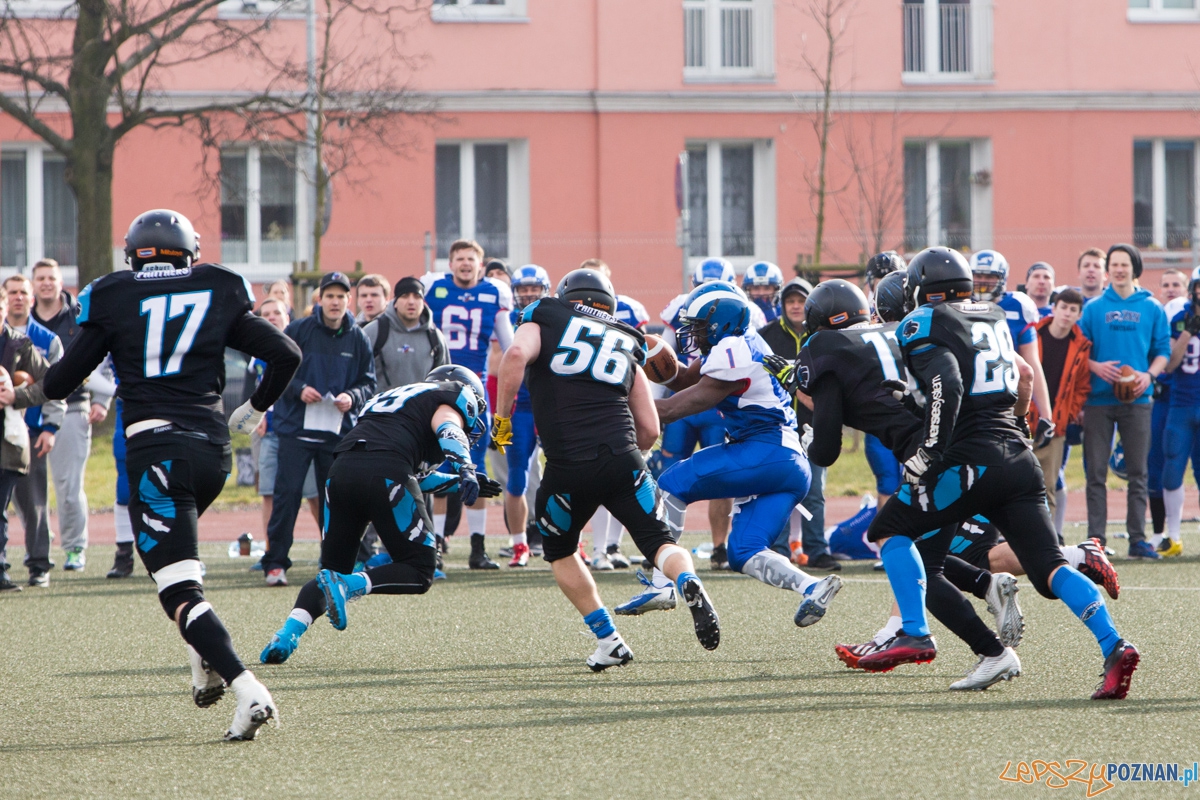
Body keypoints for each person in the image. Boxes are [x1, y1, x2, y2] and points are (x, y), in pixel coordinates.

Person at [42, 208, 302, 739]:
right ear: (189, 251)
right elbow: (285, 352)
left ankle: (246, 687)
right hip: (210, 453)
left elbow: (58, 383)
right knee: (183, 571)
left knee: (177, 590)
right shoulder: (218, 287)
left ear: (134, 252)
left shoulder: (111, 295)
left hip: (156, 453)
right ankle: (201, 661)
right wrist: (252, 409)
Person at [863, 247, 1138, 701]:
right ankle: (1114, 645)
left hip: (969, 460)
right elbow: (1003, 383)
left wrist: (929, 451)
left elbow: (948, 386)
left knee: (889, 530)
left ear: (920, 287)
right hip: (1016, 454)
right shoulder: (991, 314)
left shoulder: (922, 321)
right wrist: (916, 404)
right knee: (1048, 567)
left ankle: (915, 631)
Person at [494, 268, 720, 669]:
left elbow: (514, 354)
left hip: (567, 466)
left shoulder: (545, 312)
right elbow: (649, 429)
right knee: (658, 541)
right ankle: (686, 580)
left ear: (566, 294)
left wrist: (503, 418)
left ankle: (609, 640)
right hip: (623, 457)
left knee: (561, 549)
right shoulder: (629, 337)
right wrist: (627, 459)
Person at [627, 280, 843, 628]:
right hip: (788, 463)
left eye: (697, 327)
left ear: (718, 323)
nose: (692, 334)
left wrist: (612, 400)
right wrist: (645, 357)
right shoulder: (736, 344)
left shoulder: (733, 353)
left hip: (766, 449)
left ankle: (661, 583)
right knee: (744, 552)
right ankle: (812, 586)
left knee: (672, 484)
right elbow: (682, 379)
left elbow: (667, 410)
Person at [260, 365, 503, 665]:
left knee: (330, 572)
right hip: (386, 473)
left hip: (340, 474)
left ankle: (285, 635)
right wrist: (464, 466)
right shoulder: (451, 395)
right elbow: (448, 427)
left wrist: (456, 482)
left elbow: (415, 475)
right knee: (420, 569)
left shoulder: (392, 399)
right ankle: (348, 586)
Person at [261, 271, 376, 586]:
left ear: (347, 300)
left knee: (336, 501)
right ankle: (276, 563)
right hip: (295, 430)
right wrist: (299, 389)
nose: (335, 302)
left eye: (341, 296)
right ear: (320, 300)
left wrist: (351, 396)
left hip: (336, 434)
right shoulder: (298, 330)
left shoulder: (358, 336)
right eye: (330, 296)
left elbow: (368, 382)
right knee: (287, 497)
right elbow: (276, 368)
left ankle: (333, 563)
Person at [422, 240, 514, 570]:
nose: (465, 264)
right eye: (459, 258)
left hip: (474, 391)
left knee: (475, 468)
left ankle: (478, 547)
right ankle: (435, 542)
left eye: (470, 259)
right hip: (436, 387)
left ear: (480, 264)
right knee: (435, 467)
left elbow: (510, 346)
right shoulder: (433, 286)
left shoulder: (495, 292)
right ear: (450, 263)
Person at [1080, 244, 1169, 559]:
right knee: (1096, 473)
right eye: (1114, 264)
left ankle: (1137, 538)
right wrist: (1096, 367)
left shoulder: (1152, 308)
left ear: (1135, 268)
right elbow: (1080, 352)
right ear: (1108, 270)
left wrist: (1149, 375)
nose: (1119, 269)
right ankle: (1096, 540)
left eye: (1124, 264)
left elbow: (1162, 351)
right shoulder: (1092, 308)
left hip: (1138, 399)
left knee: (1137, 472)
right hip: (1098, 401)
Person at [654, 258, 742, 574]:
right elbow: (664, 358)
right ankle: (663, 546)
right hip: (688, 396)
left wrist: (644, 409)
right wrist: (652, 396)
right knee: (667, 474)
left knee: (722, 479)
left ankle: (720, 546)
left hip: (718, 406)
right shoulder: (681, 307)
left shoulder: (742, 320)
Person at [31, 257, 113, 572]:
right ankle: (38, 544)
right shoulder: (22, 322)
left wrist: (101, 401)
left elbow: (103, 358)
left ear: (60, 282)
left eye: (51, 277)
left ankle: (74, 547)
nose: (46, 283)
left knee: (68, 486)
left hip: (73, 407)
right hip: (29, 411)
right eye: (40, 278)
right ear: (33, 284)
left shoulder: (79, 317)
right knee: (27, 489)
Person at [756, 276, 838, 571]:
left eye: (801, 301)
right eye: (789, 301)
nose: (795, 306)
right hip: (776, 426)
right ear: (781, 304)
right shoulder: (765, 335)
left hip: (814, 425)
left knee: (814, 492)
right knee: (777, 488)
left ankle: (817, 549)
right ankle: (776, 549)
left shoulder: (824, 336)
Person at [578, 258, 645, 569]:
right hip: (589, 405)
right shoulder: (568, 315)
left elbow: (642, 360)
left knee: (624, 478)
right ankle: (596, 549)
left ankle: (613, 546)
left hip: (623, 399)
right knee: (598, 479)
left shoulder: (630, 312)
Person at [4, 275, 65, 588]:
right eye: (11, 293)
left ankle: (39, 563)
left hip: (30, 431)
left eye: (21, 293)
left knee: (35, 503)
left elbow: (56, 384)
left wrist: (51, 426)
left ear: (31, 298)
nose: (17, 298)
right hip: (4, 431)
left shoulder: (41, 339)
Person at [252, 298, 322, 564]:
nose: (271, 317)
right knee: (269, 492)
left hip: (299, 430)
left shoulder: (301, 343)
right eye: (265, 313)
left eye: (276, 312)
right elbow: (256, 383)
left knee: (314, 494)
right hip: (269, 429)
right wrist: (257, 412)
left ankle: (327, 547)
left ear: (288, 314)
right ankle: (272, 552)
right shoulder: (256, 345)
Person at [492, 264, 551, 568]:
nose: (528, 294)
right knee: (516, 479)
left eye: (534, 288)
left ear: (546, 289)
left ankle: (574, 541)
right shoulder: (508, 323)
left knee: (568, 476)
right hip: (523, 409)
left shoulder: (556, 318)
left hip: (551, 407)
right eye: (523, 289)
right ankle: (519, 545)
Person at [1029, 289, 1092, 530]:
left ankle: (1048, 538)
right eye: (1063, 307)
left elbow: (1082, 387)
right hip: (1024, 422)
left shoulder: (1081, 346)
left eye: (1073, 310)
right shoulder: (1033, 335)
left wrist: (1066, 413)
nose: (1067, 313)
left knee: (1048, 487)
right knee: (1014, 483)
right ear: (1053, 308)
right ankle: (1008, 540)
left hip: (1055, 426)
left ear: (1079, 315)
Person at [1160, 274, 1200, 556]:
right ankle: (1172, 537)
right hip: (1181, 403)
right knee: (1172, 467)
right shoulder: (1177, 314)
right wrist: (1188, 331)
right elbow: (1170, 364)